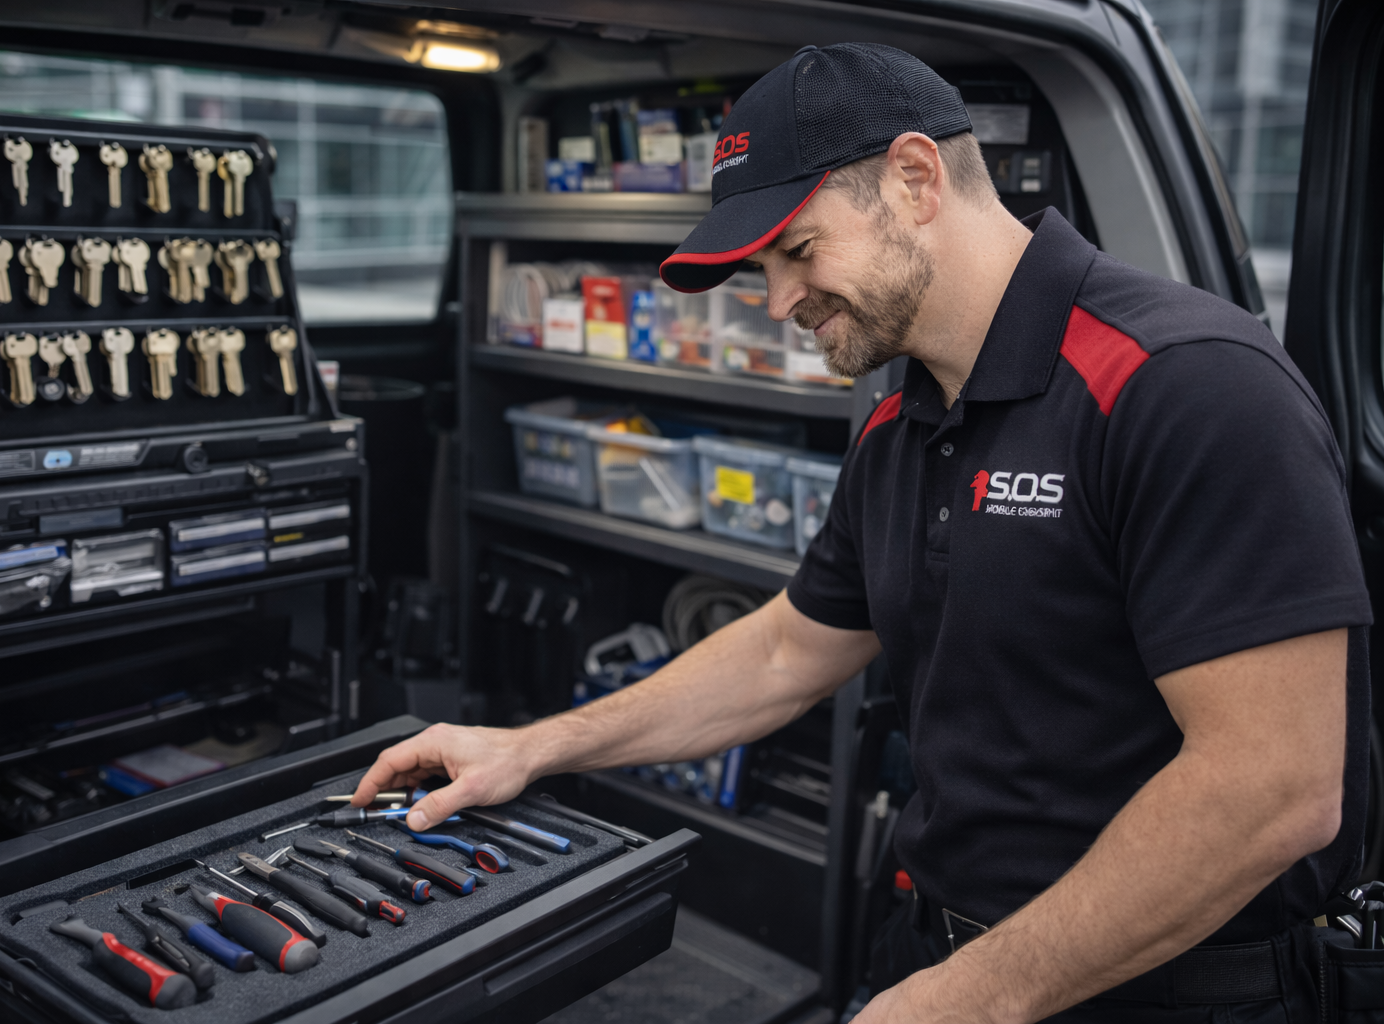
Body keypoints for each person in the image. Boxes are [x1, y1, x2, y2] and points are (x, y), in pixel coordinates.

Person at [353, 43, 1371, 1022]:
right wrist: (532, 747)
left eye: (796, 252)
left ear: (917, 179)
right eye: (764, 269)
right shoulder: (900, 422)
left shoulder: (1188, 386)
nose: (780, 301)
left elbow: (1273, 784)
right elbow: (790, 649)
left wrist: (975, 996)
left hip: (1168, 988)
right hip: (948, 953)